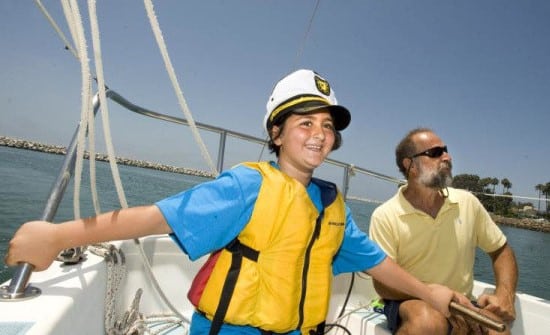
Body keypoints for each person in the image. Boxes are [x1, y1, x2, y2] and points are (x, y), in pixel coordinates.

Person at [6, 71, 469, 335]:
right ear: (277, 132)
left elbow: (377, 263)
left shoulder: (331, 206)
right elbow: (155, 216)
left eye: (327, 126)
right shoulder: (246, 186)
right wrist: (57, 235)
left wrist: (430, 293)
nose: (319, 134)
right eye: (304, 123)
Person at [369, 127, 518, 335]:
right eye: (435, 152)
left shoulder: (467, 203)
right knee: (428, 322)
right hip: (408, 300)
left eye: (445, 150)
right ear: (410, 165)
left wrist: (505, 295)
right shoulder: (385, 215)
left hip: (462, 303)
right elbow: (383, 284)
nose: (447, 157)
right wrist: (431, 293)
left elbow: (500, 250)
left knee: (498, 331)